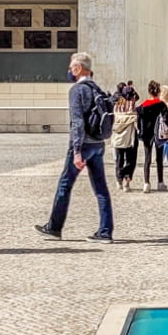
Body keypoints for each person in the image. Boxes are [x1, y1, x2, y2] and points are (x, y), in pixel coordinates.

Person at [35, 52, 114, 242]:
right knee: (101, 188)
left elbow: (77, 122)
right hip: (98, 144)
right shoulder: (96, 88)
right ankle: (105, 231)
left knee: (65, 184)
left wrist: (77, 150)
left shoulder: (77, 90)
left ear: (78, 69)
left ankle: (54, 227)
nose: (69, 71)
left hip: (83, 144)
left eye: (71, 67)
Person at [137, 80, 168, 193]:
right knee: (159, 159)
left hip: (147, 134)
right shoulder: (161, 105)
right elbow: (167, 119)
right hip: (159, 134)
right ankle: (160, 182)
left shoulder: (143, 105)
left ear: (149, 92)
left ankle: (146, 183)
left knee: (147, 158)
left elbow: (138, 121)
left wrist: (141, 130)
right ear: (158, 92)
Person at [111, 87, 139, 191]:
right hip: (130, 136)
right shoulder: (132, 104)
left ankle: (119, 179)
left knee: (119, 159)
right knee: (131, 159)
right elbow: (136, 120)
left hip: (118, 136)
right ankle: (127, 181)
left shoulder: (116, 105)